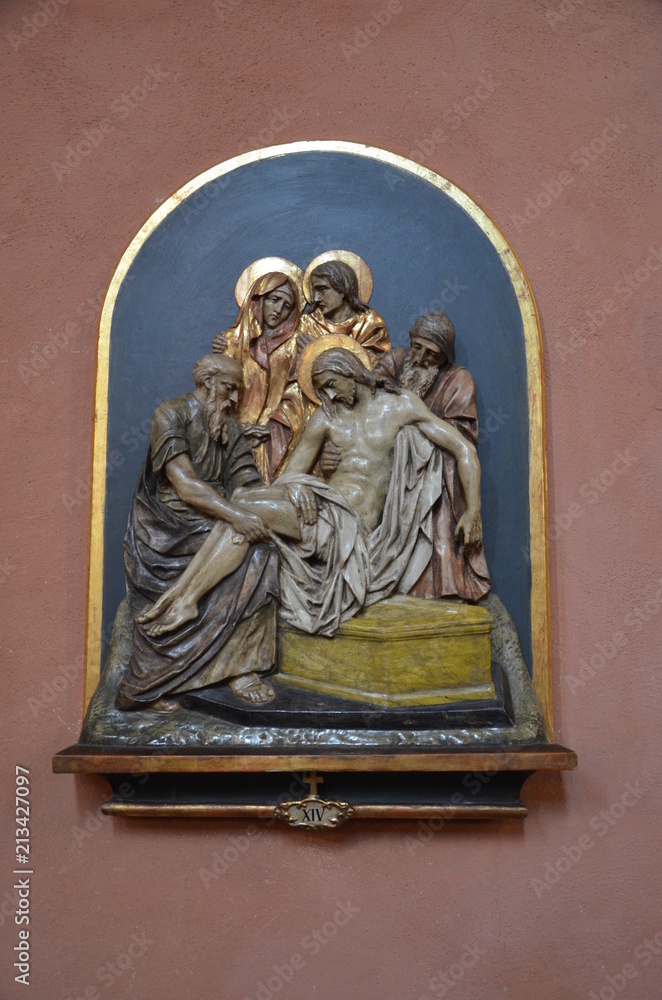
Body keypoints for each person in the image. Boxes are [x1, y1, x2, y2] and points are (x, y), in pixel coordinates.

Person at [137, 347, 483, 639]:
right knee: (241, 514)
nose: (329, 396)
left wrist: (473, 511)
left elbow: (462, 449)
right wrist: (300, 485)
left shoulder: (401, 406)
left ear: (350, 373)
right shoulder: (326, 418)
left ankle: (182, 598)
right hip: (318, 510)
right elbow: (290, 475)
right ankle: (183, 599)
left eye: (331, 385)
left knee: (242, 508)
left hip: (350, 525)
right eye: (321, 390)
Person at [115, 354, 280, 711]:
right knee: (244, 543)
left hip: (215, 521)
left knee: (264, 555)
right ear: (207, 382)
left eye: (237, 392)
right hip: (167, 527)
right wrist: (237, 516)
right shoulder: (170, 414)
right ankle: (157, 679)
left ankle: (241, 666)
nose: (235, 399)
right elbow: (186, 486)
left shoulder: (230, 427)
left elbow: (246, 479)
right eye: (230, 388)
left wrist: (278, 500)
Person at [374, 311, 491, 602]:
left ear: (444, 358)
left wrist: (473, 510)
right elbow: (369, 400)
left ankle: (438, 579)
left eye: (432, 354)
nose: (421, 358)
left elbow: (461, 441)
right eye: (417, 347)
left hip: (435, 468)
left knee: (433, 458)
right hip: (385, 460)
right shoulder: (395, 361)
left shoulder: (458, 380)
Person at [212, 269, 320, 483]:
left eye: (287, 306)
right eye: (274, 300)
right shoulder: (233, 341)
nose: (278, 310)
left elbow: (298, 394)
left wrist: (272, 428)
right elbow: (219, 390)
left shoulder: (295, 344)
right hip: (236, 432)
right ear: (258, 300)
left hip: (277, 435)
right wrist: (233, 427)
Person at [306, 259, 391, 366]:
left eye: (322, 289)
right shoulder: (307, 324)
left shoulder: (371, 324)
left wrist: (316, 351)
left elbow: (372, 369)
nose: (316, 298)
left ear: (343, 288)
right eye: (315, 291)